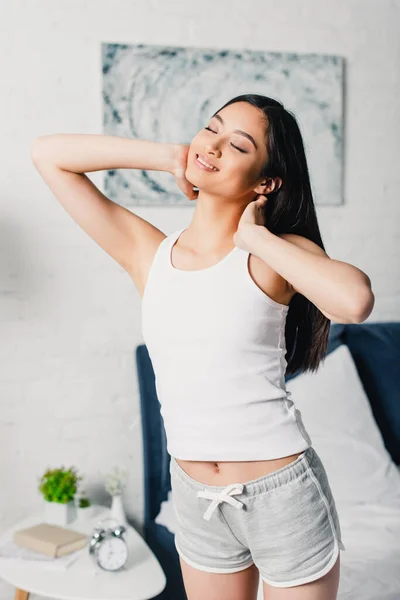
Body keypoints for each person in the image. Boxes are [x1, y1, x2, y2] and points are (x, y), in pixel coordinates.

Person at [31, 94, 374, 600]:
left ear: (266, 182)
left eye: (236, 144)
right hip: (195, 496)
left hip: (282, 495)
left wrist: (255, 239)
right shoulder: (149, 254)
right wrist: (169, 156)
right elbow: (47, 154)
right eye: (209, 128)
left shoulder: (274, 256)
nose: (211, 145)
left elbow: (354, 301)